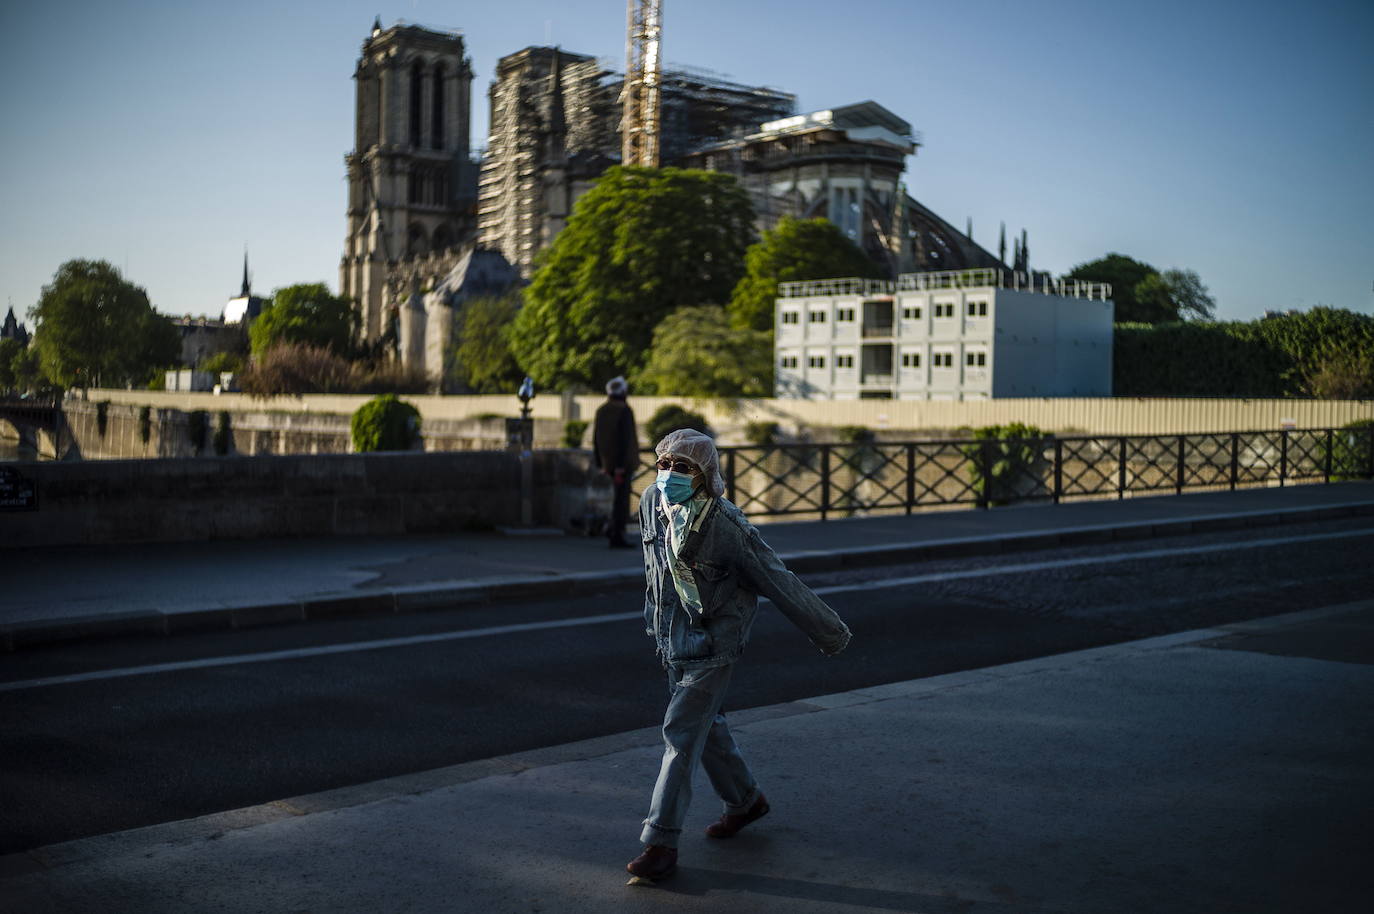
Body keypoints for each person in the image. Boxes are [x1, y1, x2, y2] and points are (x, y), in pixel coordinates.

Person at [626, 428, 851, 882]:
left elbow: (778, 580)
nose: (668, 474)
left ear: (706, 475)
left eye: (682, 467)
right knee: (708, 731)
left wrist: (830, 634)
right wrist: (655, 625)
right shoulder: (651, 502)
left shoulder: (727, 526)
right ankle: (747, 802)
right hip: (673, 640)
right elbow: (655, 572)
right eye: (663, 464)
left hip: (714, 645)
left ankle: (661, 841)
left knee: (681, 735)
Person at [592, 376, 640, 548]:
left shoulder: (602, 410)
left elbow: (596, 439)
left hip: (608, 463)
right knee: (621, 501)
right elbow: (624, 441)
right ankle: (617, 535)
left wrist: (600, 463)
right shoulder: (624, 410)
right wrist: (620, 466)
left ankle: (613, 530)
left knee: (616, 499)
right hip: (622, 465)